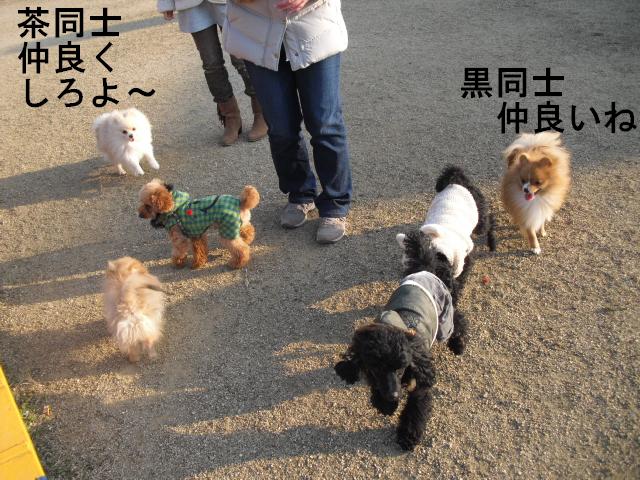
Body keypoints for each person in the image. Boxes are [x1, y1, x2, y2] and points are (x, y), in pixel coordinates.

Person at [222, 0, 352, 243]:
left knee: (325, 125)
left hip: (314, 25)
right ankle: (300, 193)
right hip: (255, 30)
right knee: (281, 127)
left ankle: (335, 204)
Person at [157, 0, 268, 145]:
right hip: (190, 5)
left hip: (229, 2)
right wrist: (166, 3)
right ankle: (231, 117)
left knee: (242, 57)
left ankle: (262, 112)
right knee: (211, 64)